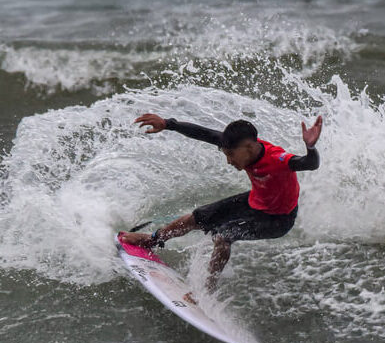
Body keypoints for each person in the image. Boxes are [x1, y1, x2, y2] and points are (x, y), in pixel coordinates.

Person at [119, 112, 323, 289]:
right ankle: (152, 240)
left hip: (278, 219)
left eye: (231, 155)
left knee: (224, 237)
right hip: (255, 202)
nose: (229, 160)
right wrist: (168, 123)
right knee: (196, 217)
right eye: (226, 154)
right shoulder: (236, 145)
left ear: (249, 147)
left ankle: (207, 291)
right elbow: (204, 133)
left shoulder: (278, 159)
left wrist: (310, 147)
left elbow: (309, 164)